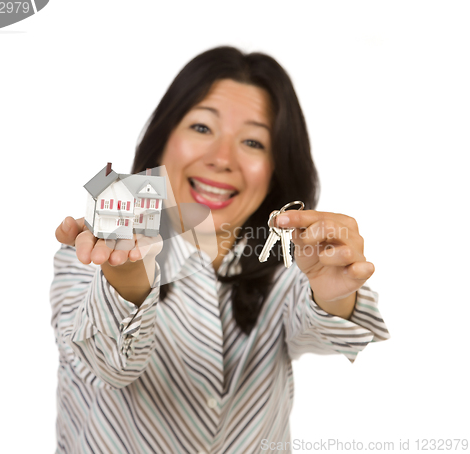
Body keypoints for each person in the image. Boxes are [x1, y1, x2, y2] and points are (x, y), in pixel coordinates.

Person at [52, 46, 389, 454]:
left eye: (252, 141)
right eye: (201, 128)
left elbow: (332, 333)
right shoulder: (87, 257)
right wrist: (126, 278)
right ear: (163, 141)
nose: (222, 159)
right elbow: (106, 366)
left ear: (276, 167)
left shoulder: (287, 264)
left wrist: (335, 292)